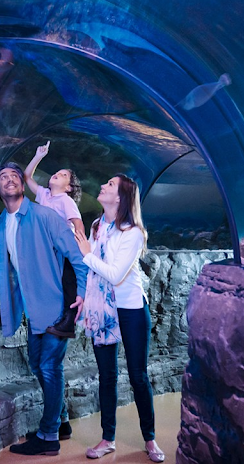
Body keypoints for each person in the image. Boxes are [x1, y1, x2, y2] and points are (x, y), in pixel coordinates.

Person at [0, 162, 88, 457]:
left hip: (57, 305)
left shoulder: (45, 215)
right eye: (3, 178)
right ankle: (60, 423)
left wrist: (83, 294)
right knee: (38, 365)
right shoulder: (0, 223)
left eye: (14, 176)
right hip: (33, 309)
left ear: (23, 184)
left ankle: (48, 438)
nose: (10, 179)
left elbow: (77, 256)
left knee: (48, 367)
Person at [75, 174, 165, 462]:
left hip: (131, 309)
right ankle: (107, 438)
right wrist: (85, 300)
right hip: (103, 309)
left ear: (121, 197)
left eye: (110, 185)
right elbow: (91, 271)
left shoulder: (133, 232)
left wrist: (88, 253)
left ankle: (150, 439)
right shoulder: (97, 226)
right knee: (107, 376)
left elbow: (114, 274)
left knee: (138, 376)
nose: (102, 185)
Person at [24, 140, 84, 338]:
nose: (57, 174)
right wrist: (38, 156)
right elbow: (26, 177)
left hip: (61, 246)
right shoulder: (44, 194)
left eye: (64, 175)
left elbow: (77, 221)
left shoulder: (65, 200)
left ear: (69, 187)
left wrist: (80, 243)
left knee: (68, 280)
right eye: (57, 172)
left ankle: (68, 320)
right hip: (43, 246)